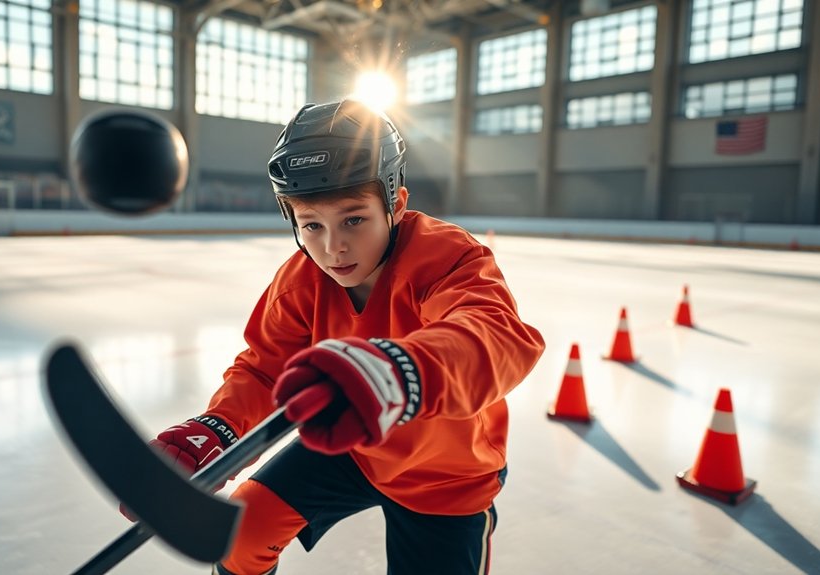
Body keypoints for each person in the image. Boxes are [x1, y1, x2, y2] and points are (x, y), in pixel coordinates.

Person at [129, 99, 545, 574]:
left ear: (396, 204)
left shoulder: (446, 257)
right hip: (351, 444)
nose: (333, 247)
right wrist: (219, 428)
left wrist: (400, 373)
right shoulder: (302, 279)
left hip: (443, 473)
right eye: (311, 225)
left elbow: (494, 335)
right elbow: (265, 370)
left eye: (353, 219)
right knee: (237, 536)